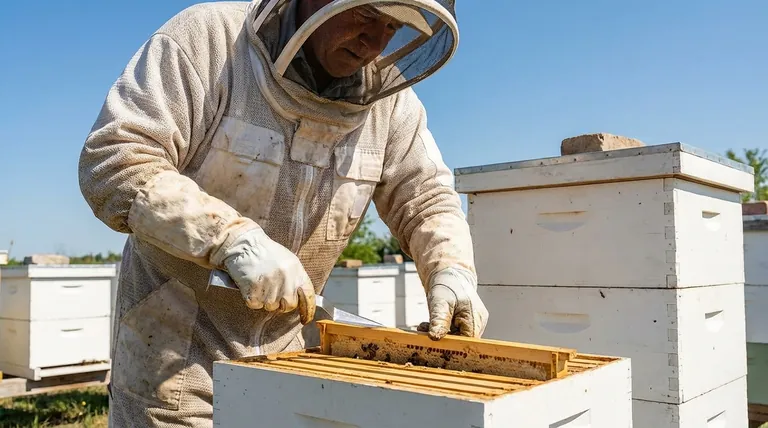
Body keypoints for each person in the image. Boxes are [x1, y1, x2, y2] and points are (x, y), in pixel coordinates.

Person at [78, 0, 488, 426]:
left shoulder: (393, 105)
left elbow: (425, 197)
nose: (376, 41)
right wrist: (228, 238)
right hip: (175, 360)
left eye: (393, 25)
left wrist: (451, 270)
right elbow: (116, 160)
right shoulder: (211, 41)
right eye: (366, 15)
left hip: (290, 364)